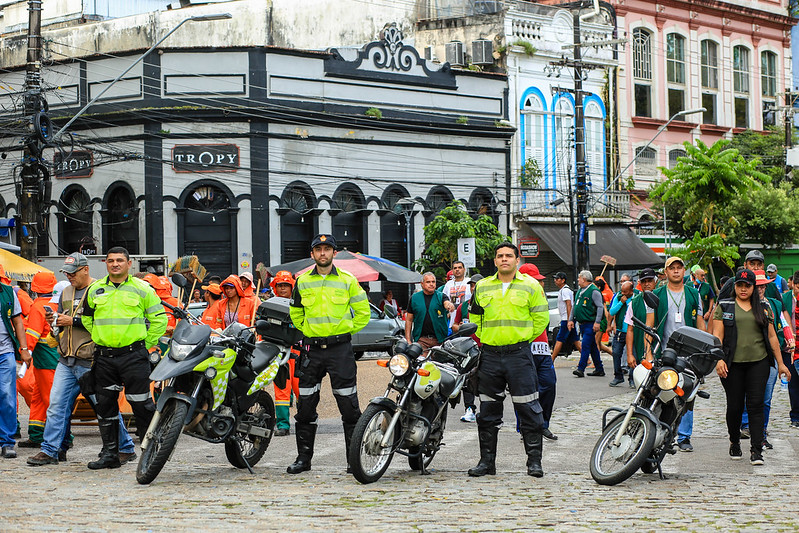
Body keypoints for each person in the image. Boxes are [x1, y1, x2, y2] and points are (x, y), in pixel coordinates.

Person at [27, 253, 136, 466]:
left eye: (73, 272)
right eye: (67, 273)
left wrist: (73, 321)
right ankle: (50, 450)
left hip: (91, 360)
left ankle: (125, 447)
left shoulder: (99, 290)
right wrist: (55, 320)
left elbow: (104, 323)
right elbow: (63, 319)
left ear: (86, 269)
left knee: (104, 408)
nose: (69, 276)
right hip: (66, 359)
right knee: (56, 406)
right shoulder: (66, 291)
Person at [287, 234, 370, 474]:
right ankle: (303, 460)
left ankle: (352, 460)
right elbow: (295, 311)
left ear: (334, 253)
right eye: (318, 249)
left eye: (327, 249)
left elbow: (363, 312)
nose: (323, 253)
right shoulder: (301, 281)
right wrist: (307, 331)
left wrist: (343, 332)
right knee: (305, 405)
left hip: (340, 350)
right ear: (312, 254)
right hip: (311, 350)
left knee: (349, 406)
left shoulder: (348, 280)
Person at [467, 242, 549, 478]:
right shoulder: (482, 287)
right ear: (495, 261)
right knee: (488, 411)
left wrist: (520, 339)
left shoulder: (531, 286)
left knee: (529, 408)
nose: (504, 259)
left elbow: (541, 319)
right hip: (490, 355)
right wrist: (487, 338)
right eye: (500, 256)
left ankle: (534, 463)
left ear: (516, 260)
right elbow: (475, 317)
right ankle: (486, 463)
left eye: (509, 256)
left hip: (519, 355)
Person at [81, 247, 167, 469]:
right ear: (106, 264)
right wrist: (102, 337)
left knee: (142, 405)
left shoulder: (142, 289)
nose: (115, 264)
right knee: (105, 406)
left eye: (120, 260)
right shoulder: (95, 289)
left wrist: (144, 346)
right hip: (105, 358)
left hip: (134, 357)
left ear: (129, 264)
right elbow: (88, 320)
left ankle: (151, 455)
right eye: (110, 261)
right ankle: (110, 454)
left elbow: (159, 320)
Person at [713, 268, 790, 465]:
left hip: (759, 363)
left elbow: (772, 336)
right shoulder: (725, 305)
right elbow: (717, 337)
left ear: (754, 287)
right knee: (735, 406)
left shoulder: (763, 307)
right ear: (735, 286)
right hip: (733, 365)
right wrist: (718, 359)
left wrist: (781, 364)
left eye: (747, 285)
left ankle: (757, 450)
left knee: (756, 406)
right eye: (740, 285)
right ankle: (734, 441)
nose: (743, 289)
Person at [648, 256, 705, 453]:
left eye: (679, 267)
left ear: (684, 271)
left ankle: (684, 436)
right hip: (664, 351)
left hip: (689, 354)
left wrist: (704, 350)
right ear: (666, 271)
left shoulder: (692, 293)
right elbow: (649, 325)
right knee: (659, 392)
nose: (676, 271)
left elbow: (700, 322)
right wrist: (648, 351)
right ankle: (656, 433)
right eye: (672, 268)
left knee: (687, 395)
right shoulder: (657, 294)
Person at [739, 270, 794, 448]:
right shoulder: (743, 304)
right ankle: (747, 426)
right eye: (758, 285)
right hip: (749, 357)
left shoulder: (774, 304)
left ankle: (761, 433)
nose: (761, 289)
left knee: (766, 398)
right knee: (749, 396)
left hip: (770, 357)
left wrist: (789, 337)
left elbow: (782, 322)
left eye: (764, 285)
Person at [16, 272, 60, 448]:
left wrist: (24, 352)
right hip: (51, 357)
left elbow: (32, 334)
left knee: (49, 399)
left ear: (34, 287)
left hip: (45, 359)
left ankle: (64, 437)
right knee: (39, 398)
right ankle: (36, 435)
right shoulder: (57, 303)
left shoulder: (38, 306)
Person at [518, 263, 558, 441]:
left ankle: (543, 424)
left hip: (542, 350)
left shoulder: (540, 298)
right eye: (537, 280)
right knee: (525, 391)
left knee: (549, 385)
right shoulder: (518, 298)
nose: (541, 284)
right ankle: (525, 427)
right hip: (524, 348)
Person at [0, 266, 29, 458]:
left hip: (5, 352)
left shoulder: (8, 292)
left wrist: (24, 348)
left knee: (7, 396)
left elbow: (18, 321)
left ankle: (7, 441)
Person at [270, 271, 300, 437]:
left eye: (286, 285)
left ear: (291, 287)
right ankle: (282, 425)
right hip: (279, 353)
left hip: (298, 352)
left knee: (301, 389)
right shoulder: (270, 304)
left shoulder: (299, 303)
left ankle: (305, 421)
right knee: (281, 390)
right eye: (280, 285)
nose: (282, 288)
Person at [452, 274, 483, 423]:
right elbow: (454, 325)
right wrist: (461, 328)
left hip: (485, 347)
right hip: (467, 347)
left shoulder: (489, 304)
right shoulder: (463, 306)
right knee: (467, 378)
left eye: (476, 285)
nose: (473, 288)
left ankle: (486, 410)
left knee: (486, 379)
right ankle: (469, 408)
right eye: (471, 285)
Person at [625, 268, 659, 387]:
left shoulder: (662, 298)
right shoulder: (634, 303)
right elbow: (630, 330)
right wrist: (629, 354)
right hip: (641, 349)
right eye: (644, 281)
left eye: (650, 280)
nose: (647, 284)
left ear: (655, 281)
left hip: (661, 348)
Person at [405, 272, 455, 352]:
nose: (431, 284)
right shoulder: (414, 298)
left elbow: (446, 302)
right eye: (428, 282)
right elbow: (409, 320)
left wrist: (449, 305)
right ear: (422, 284)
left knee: (439, 364)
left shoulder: (441, 296)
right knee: (422, 363)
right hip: (421, 340)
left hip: (440, 340)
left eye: (433, 282)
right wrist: (408, 340)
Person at [569, 271, 605, 378]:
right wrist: (571, 319)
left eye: (579, 278)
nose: (578, 280)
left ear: (584, 279)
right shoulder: (580, 291)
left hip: (590, 323)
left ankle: (581, 368)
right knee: (593, 347)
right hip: (582, 324)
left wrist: (597, 322)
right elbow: (575, 306)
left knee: (585, 345)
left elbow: (600, 307)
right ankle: (599, 368)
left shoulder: (594, 291)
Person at [607, 281, 635, 387]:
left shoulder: (636, 297)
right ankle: (618, 376)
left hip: (632, 331)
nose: (623, 293)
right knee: (616, 353)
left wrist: (627, 302)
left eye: (625, 292)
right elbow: (612, 312)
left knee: (633, 355)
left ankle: (632, 378)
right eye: (622, 291)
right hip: (620, 331)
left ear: (631, 291)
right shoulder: (618, 297)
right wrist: (620, 303)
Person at [551, 272, 579, 358]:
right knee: (575, 340)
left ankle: (552, 359)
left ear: (563, 280)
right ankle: (587, 360)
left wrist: (569, 319)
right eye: (555, 278)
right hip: (567, 319)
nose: (555, 280)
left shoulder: (565, 290)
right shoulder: (563, 290)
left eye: (557, 278)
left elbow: (568, 304)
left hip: (566, 319)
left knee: (559, 339)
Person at [441, 261, 471, 330]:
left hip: (467, 319)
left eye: (460, 267)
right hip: (453, 322)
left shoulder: (469, 282)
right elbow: (443, 300)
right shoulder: (448, 284)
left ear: (464, 269)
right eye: (455, 268)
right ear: (452, 270)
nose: (457, 269)